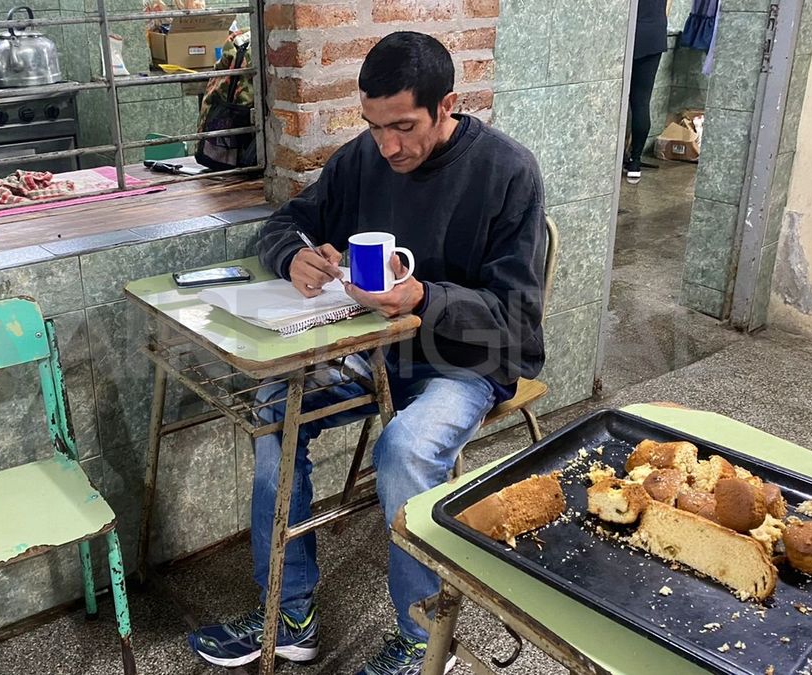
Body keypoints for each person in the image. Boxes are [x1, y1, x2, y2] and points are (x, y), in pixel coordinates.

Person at [187, 31, 546, 675]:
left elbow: (517, 323)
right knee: (275, 410)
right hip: (372, 350)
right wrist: (294, 255)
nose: (389, 146)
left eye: (404, 126)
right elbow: (285, 223)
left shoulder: (506, 172)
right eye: (374, 126)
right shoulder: (364, 159)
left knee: (404, 447)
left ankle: (421, 638)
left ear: (447, 105)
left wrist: (422, 299)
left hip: (461, 361)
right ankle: (290, 615)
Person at [625, 0, 669, 185]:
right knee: (641, 101)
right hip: (655, 35)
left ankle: (619, 157)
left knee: (618, 100)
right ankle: (635, 163)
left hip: (631, 33)